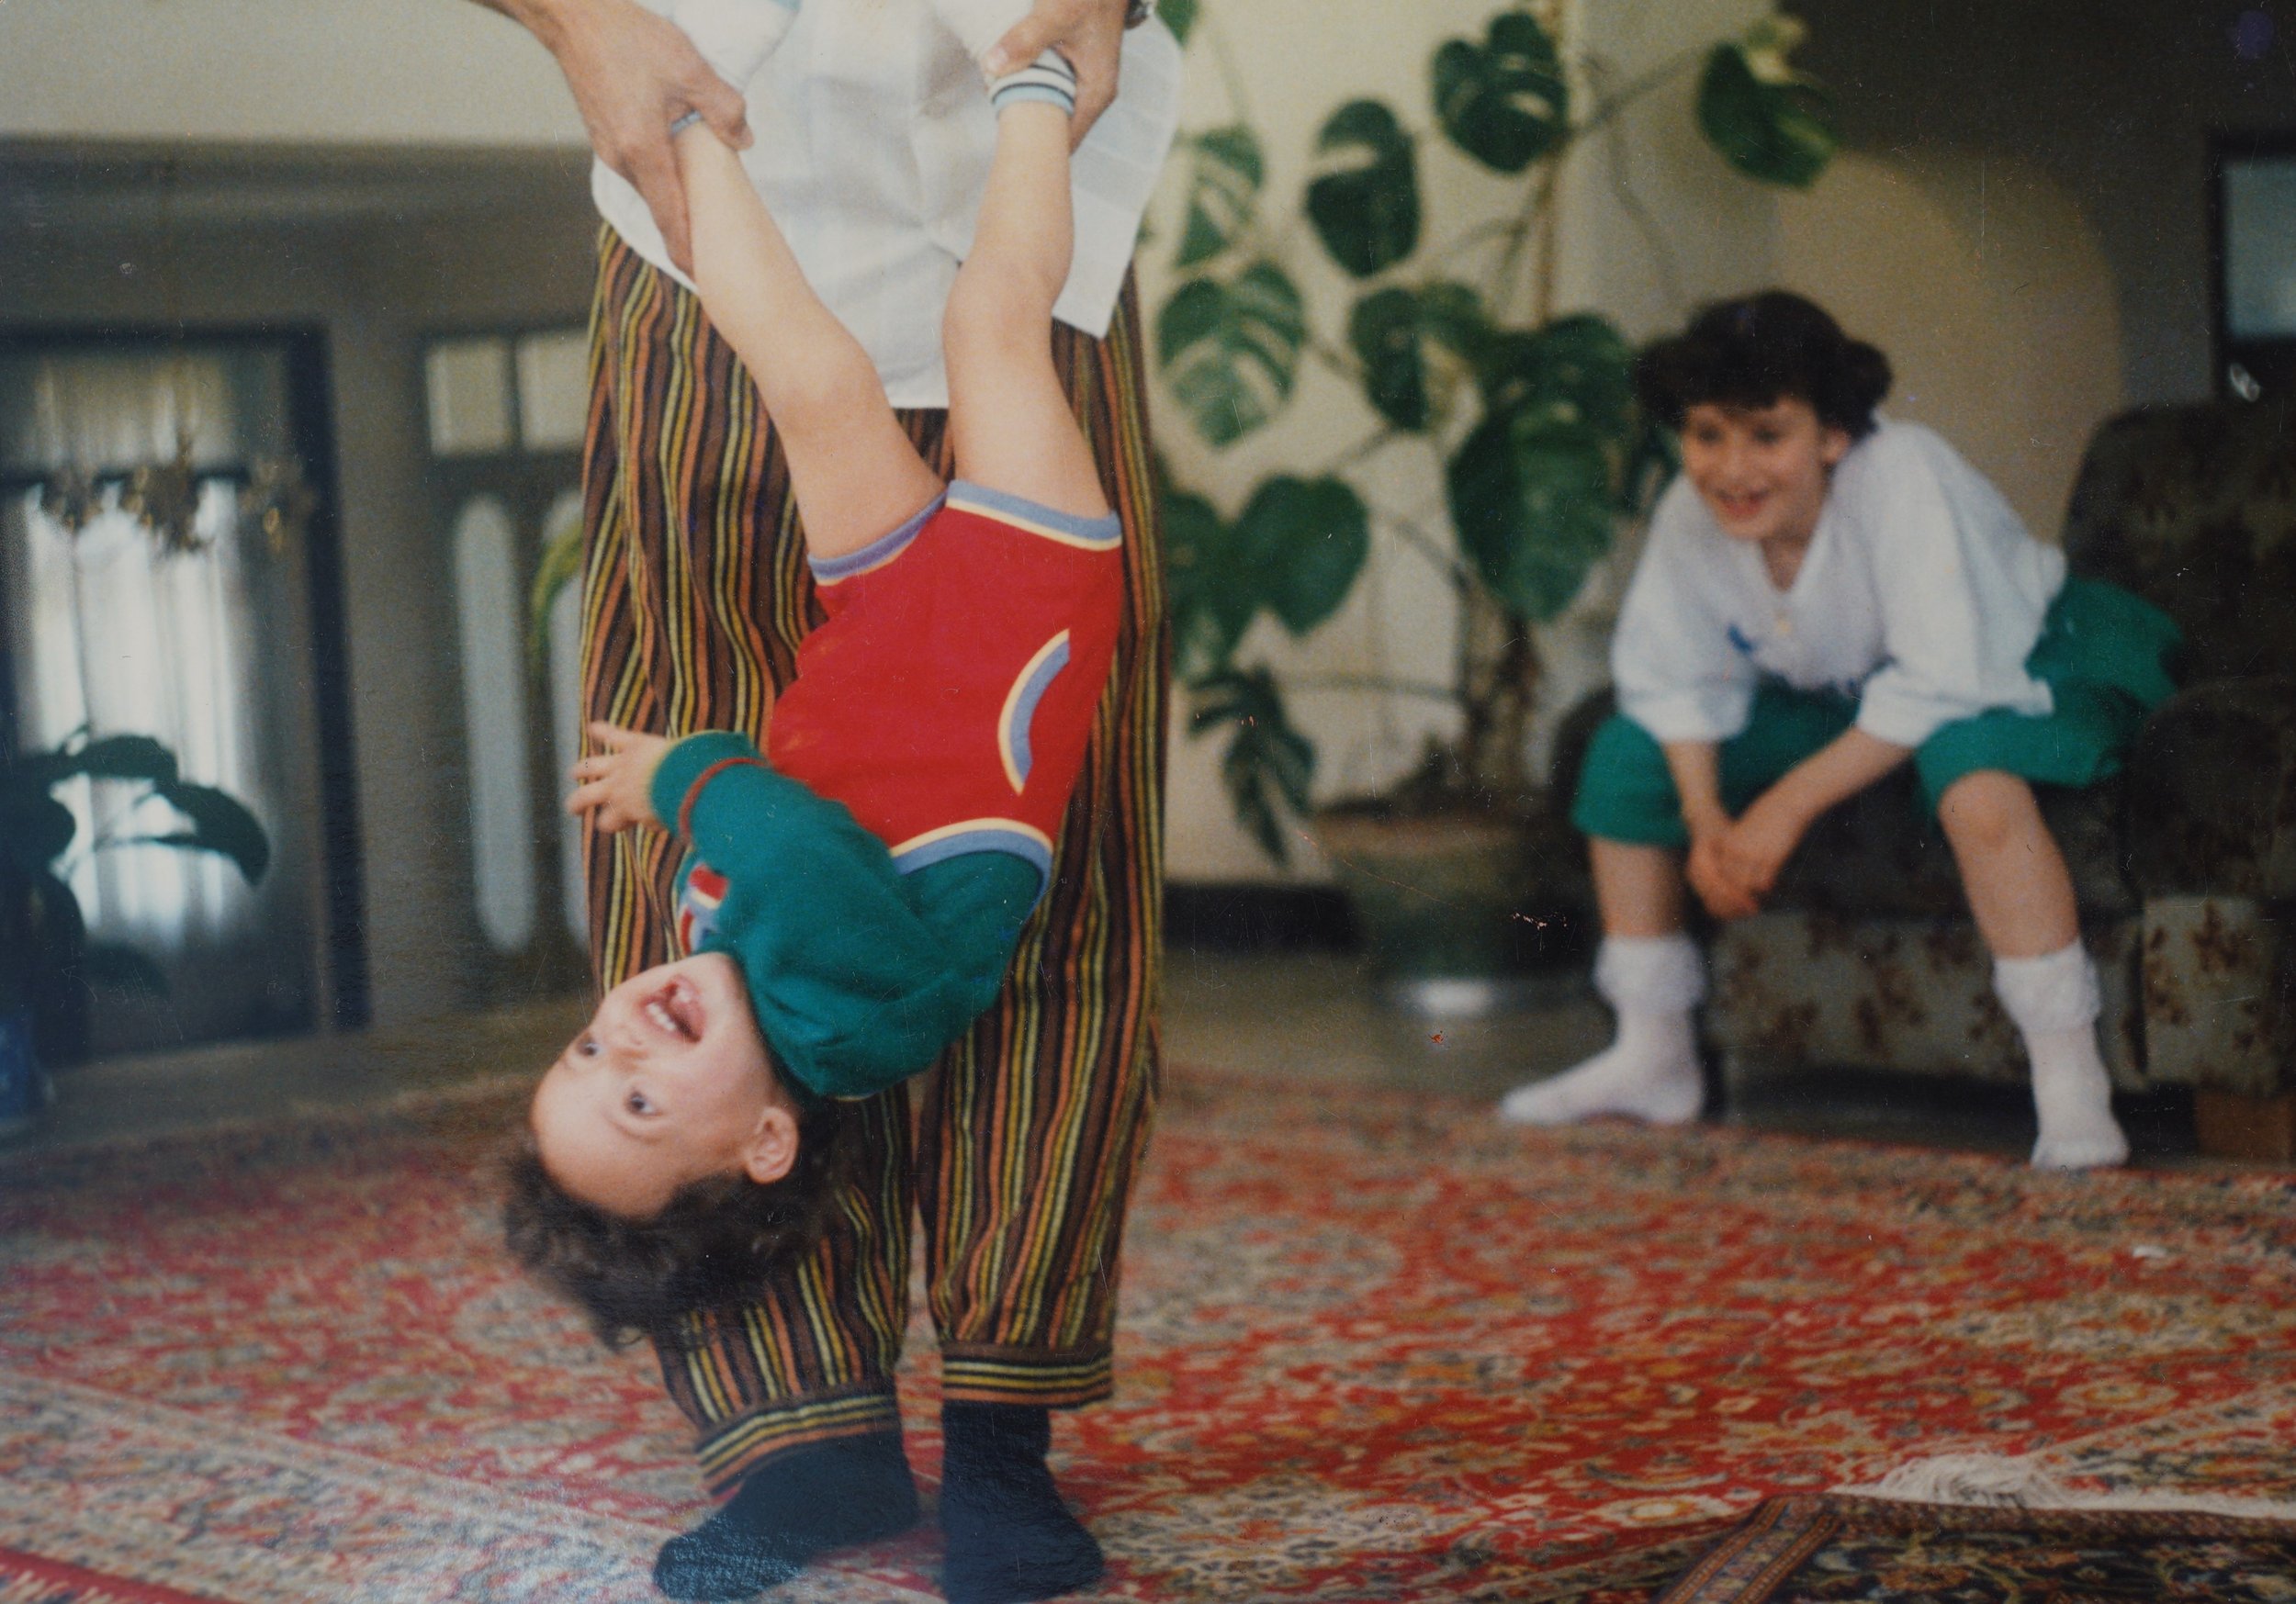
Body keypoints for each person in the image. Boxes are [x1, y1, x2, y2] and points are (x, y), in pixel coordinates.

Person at [468, 0, 1176, 1599]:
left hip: (1023, 144)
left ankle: (1002, 1435)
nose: (620, 1039)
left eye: (598, 1062)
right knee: (684, 764)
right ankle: (804, 1437)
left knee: (1067, 879)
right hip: (701, 169)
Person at [1498, 291, 2178, 1172]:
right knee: (1626, 749)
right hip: (1861, 689)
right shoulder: (1690, 513)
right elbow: (1674, 677)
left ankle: (2071, 1086)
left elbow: (1942, 678)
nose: (1732, 468)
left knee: (1970, 773)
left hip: (2026, 651)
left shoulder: (1907, 474)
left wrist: (1779, 808)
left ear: (1833, 436)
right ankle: (1654, 1053)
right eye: (1707, 435)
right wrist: (1708, 823)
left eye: (1767, 435)